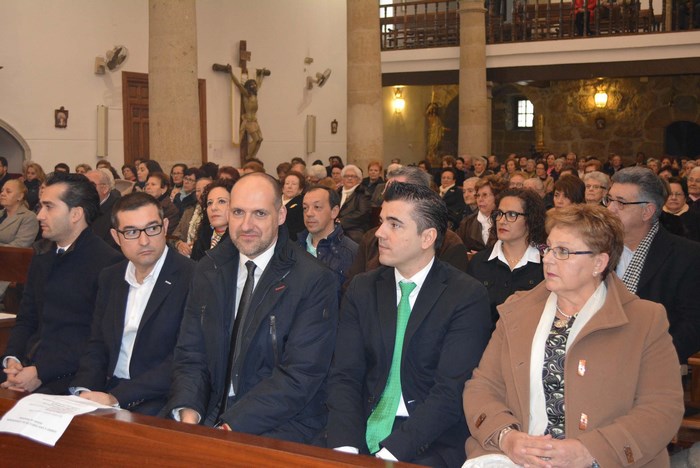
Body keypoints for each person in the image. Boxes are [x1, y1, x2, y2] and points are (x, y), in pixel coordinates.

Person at [463, 204, 684, 467]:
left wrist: (589, 451)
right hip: (517, 458)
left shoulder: (645, 320)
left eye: (564, 252)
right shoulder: (516, 310)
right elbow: (483, 387)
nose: (548, 259)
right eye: (548, 248)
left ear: (599, 262)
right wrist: (506, 437)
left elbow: (661, 408)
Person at [326, 182, 491, 466]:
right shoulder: (362, 288)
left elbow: (449, 393)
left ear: (427, 237)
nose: (379, 233)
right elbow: (345, 375)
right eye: (381, 222)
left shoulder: (465, 295)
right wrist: (346, 448)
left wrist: (388, 455)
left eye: (395, 224)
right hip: (360, 425)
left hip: (429, 437)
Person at [165, 172, 338, 443]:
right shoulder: (207, 270)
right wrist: (189, 413)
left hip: (281, 422)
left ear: (280, 215)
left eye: (259, 214)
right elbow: (191, 353)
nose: (246, 225)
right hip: (210, 410)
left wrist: (228, 426)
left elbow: (300, 375)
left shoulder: (314, 280)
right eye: (238, 212)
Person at [70, 192, 195, 415]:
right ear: (116, 237)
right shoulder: (110, 277)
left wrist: (117, 397)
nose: (144, 240)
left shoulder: (192, 277)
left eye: (152, 228)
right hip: (107, 390)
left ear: (165, 226)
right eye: (131, 232)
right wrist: (84, 391)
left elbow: (182, 359)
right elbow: (97, 344)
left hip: (159, 397)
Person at [1, 173, 122, 394]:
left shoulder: (108, 264)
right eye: (40, 206)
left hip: (69, 375)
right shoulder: (42, 255)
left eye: (49, 207)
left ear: (76, 213)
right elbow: (27, 318)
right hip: (27, 365)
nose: (39, 215)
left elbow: (97, 339)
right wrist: (12, 360)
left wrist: (41, 371)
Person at [605, 167, 700, 363]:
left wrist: (650, 362)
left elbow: (692, 325)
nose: (610, 209)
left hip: (653, 365)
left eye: (621, 203)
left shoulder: (687, 255)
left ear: (647, 211)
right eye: (609, 200)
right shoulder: (596, 247)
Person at [346, 166, 469, 286]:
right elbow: (352, 287)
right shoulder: (371, 238)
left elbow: (451, 294)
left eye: (398, 191)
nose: (387, 197)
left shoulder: (450, 244)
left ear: (421, 195)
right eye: (387, 191)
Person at [467, 188, 546, 326]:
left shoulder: (545, 264)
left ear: (530, 219)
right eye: (499, 214)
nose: (502, 221)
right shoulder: (479, 262)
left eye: (511, 214)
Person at [297, 185, 357, 288]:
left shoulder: (351, 252)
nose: (309, 213)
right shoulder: (294, 248)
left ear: (334, 212)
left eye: (317, 207)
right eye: (305, 208)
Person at [222, 64, 270, 159]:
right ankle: (249, 156)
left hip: (254, 121)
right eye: (252, 84)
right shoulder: (246, 94)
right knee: (256, 139)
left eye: (254, 84)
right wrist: (231, 73)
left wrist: (262, 75)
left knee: (260, 139)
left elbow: (259, 83)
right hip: (248, 121)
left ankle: (253, 156)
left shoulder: (255, 95)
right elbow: (238, 84)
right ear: (248, 86)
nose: (254, 86)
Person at [457, 175, 506, 253]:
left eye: (485, 195)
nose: (480, 199)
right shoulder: (467, 222)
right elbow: (459, 250)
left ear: (497, 197)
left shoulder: (506, 221)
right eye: (478, 195)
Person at [190, 179, 234, 261]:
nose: (213, 208)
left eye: (221, 201)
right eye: (209, 203)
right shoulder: (203, 236)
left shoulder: (240, 240)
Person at [171, 175, 212, 258]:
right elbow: (173, 236)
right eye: (198, 190)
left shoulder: (214, 213)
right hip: (185, 256)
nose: (201, 193)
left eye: (205, 189)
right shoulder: (189, 210)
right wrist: (179, 244)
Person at [85, 169, 121, 249]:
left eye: (91, 185)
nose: (85, 189)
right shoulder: (80, 207)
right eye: (84, 185)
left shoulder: (118, 209)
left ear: (105, 189)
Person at [337, 165, 371, 244]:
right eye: (346, 176)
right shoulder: (337, 192)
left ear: (359, 179)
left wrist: (341, 221)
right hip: (335, 226)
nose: (349, 178)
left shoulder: (363, 193)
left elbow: (362, 213)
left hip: (355, 228)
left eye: (353, 176)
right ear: (342, 179)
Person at [0, 179, 39, 247]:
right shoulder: (1, 213)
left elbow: (19, 246)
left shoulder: (29, 217)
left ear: (20, 196)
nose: (2, 194)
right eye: (2, 190)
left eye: (8, 191)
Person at [663, 176, 700, 241]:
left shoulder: (696, 218)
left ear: (685, 197)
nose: (673, 198)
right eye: (670, 194)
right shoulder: (656, 216)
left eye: (678, 194)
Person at [281, 171, 305, 241]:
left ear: (300, 189)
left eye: (294, 184)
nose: (289, 186)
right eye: (287, 183)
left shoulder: (302, 203)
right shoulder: (274, 199)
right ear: (282, 187)